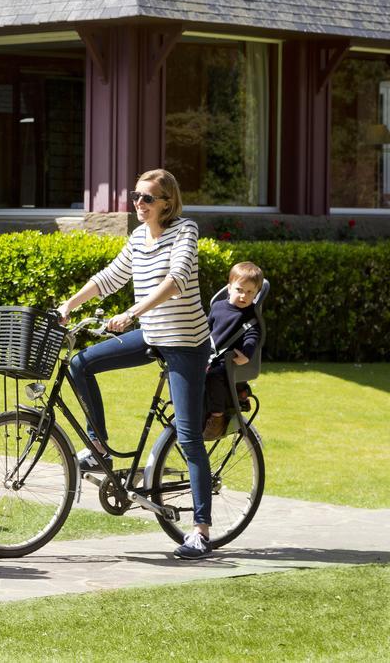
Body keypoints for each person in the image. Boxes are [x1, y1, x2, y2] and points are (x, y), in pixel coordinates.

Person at [56, 169, 215, 560]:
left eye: (147, 198)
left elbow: (177, 279)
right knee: (80, 363)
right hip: (151, 334)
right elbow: (111, 276)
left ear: (167, 202)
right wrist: (69, 304)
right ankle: (98, 447)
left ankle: (200, 531)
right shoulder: (138, 236)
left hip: (185, 343)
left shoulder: (185, 231)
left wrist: (132, 312)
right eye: (136, 196)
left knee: (190, 437)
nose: (138, 204)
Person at [203, 262, 264, 440]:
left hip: (227, 359)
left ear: (256, 294)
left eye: (250, 292)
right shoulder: (218, 307)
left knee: (214, 375)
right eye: (239, 289)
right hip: (210, 354)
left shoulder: (250, 316)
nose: (244, 296)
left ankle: (217, 417)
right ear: (229, 288)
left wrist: (247, 353)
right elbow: (206, 329)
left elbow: (253, 334)